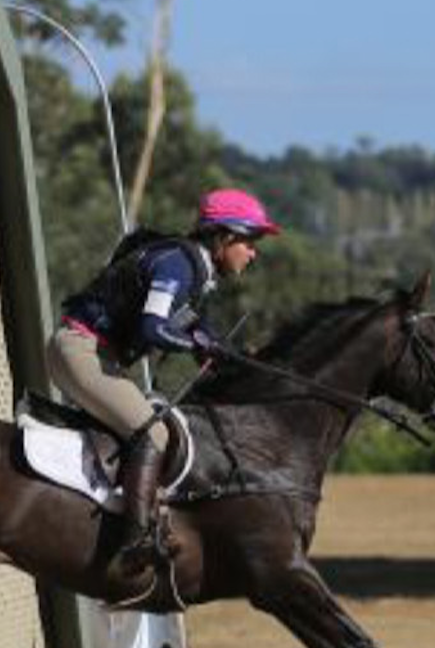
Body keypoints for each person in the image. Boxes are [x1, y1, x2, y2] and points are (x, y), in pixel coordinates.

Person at [46, 188, 281, 575]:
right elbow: (154, 329)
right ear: (226, 237)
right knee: (153, 435)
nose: (253, 254)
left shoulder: (190, 266)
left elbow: (194, 327)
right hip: (83, 352)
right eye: (250, 243)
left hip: (91, 353)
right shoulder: (179, 265)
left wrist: (229, 354)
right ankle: (135, 542)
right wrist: (198, 346)